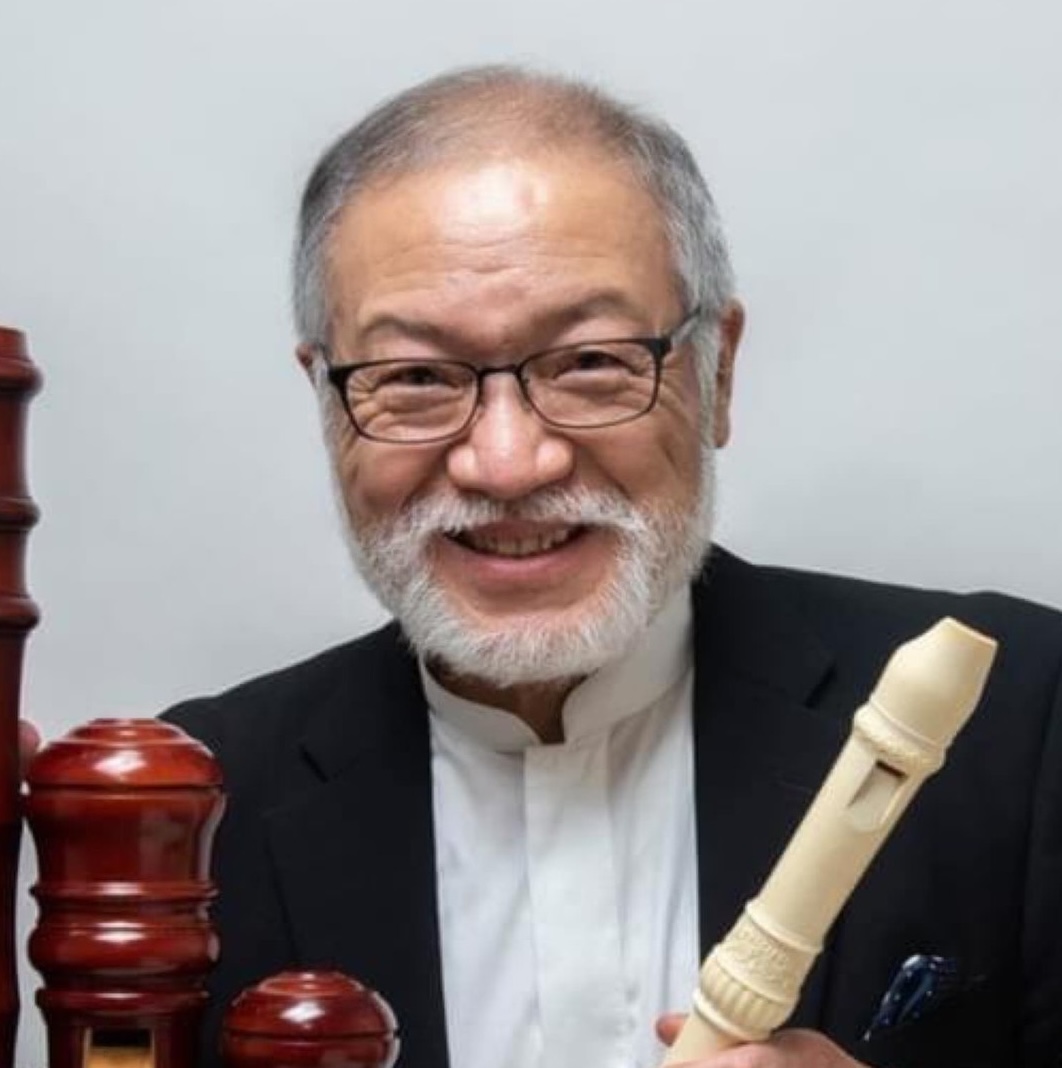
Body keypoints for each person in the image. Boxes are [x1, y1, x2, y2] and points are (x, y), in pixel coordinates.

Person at [162, 66, 1061, 1068]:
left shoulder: (1025, 719)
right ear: (328, 405)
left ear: (719, 372)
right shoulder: (185, 805)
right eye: (413, 376)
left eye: (591, 362)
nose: (508, 464)